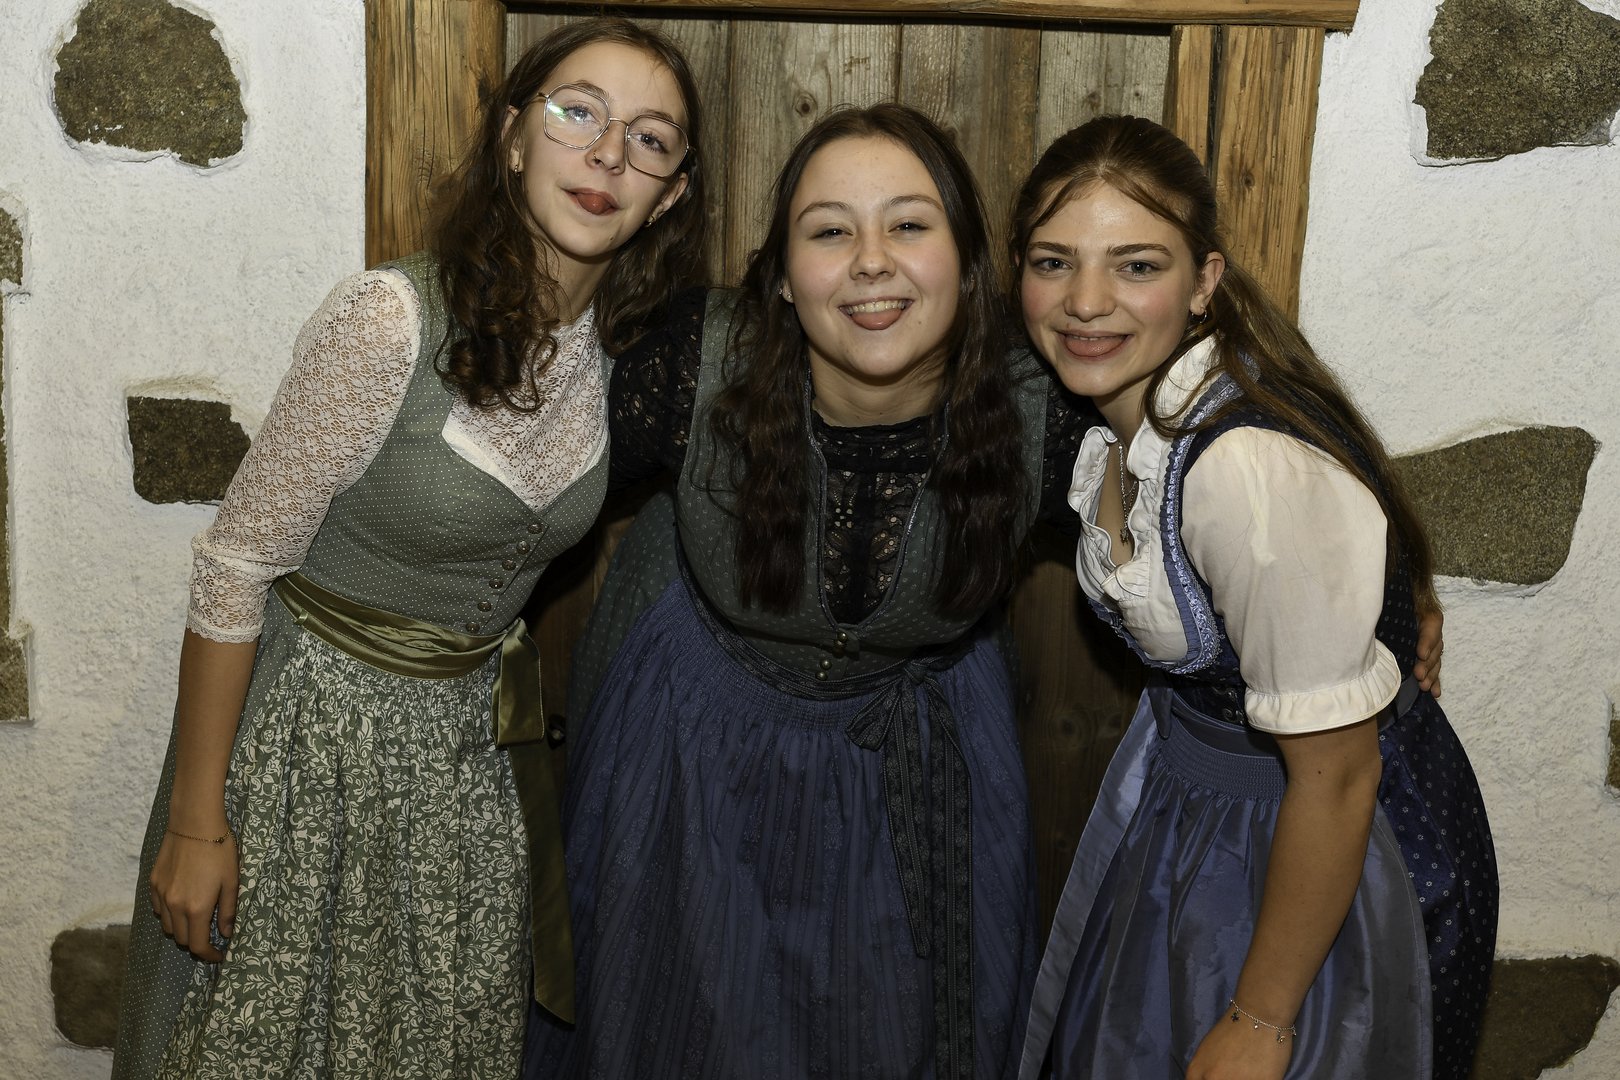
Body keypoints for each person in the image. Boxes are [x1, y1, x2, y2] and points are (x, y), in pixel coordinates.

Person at [112, 19, 705, 1079]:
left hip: (465, 769)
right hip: (307, 746)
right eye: (579, 112)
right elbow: (235, 567)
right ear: (513, 138)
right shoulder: (391, 319)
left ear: (668, 196)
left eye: (649, 139)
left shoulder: (625, 363)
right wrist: (198, 824)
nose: (610, 153)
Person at [522, 103, 1098, 1080]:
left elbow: (1204, 494)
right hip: (687, 760)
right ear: (784, 278)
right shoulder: (695, 366)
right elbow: (505, 479)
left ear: (968, 262)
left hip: (916, 770)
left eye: (908, 225)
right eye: (830, 231)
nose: (872, 262)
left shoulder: (1046, 412)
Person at [1009, 115, 1496, 1080]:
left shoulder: (1240, 469)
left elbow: (1338, 776)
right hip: (1200, 801)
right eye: (1053, 262)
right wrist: (1406, 594)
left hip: (1326, 835)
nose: (1086, 301)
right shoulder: (1109, 412)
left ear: (1204, 283)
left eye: (1136, 266)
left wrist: (1264, 1020)